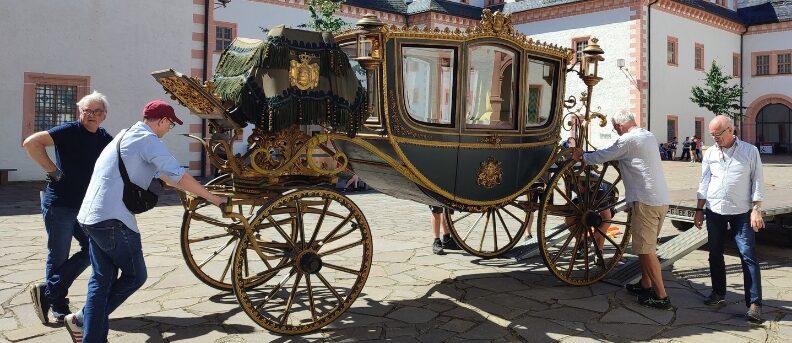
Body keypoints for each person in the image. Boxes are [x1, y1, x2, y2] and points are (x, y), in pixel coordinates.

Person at [64, 100, 226, 343]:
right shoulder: (148, 140)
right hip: (112, 219)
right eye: (170, 124)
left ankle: (85, 328)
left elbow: (166, 176)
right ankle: (85, 323)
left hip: (90, 216)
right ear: (161, 121)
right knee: (134, 276)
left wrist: (191, 191)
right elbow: (178, 175)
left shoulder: (125, 135)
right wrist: (215, 199)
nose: (169, 129)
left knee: (102, 279)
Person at [23, 91, 114, 324]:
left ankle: (49, 291)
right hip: (60, 205)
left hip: (85, 207)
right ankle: (57, 305)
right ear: (80, 112)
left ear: (104, 115)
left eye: (97, 112)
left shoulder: (104, 138)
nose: (91, 115)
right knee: (58, 255)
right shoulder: (69, 130)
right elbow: (32, 142)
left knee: (92, 250)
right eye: (87, 111)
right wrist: (53, 171)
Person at [572, 112, 672, 310]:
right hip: (658, 200)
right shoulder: (647, 135)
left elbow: (604, 155)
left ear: (620, 126)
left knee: (647, 250)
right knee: (645, 248)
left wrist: (581, 155)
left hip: (646, 202)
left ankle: (661, 296)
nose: (616, 131)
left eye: (615, 128)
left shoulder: (628, 140)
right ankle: (645, 285)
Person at [693, 115, 764, 323]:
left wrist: (757, 209)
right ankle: (718, 293)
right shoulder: (711, 153)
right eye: (712, 134)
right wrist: (699, 210)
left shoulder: (750, 151)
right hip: (715, 210)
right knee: (715, 253)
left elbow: (758, 180)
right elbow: (703, 182)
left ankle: (754, 303)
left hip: (742, 211)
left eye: (718, 134)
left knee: (748, 255)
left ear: (731, 130)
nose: (715, 138)